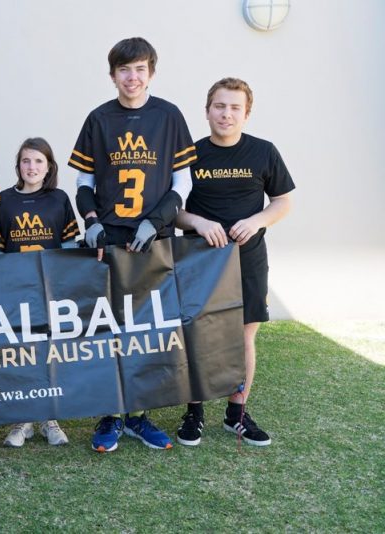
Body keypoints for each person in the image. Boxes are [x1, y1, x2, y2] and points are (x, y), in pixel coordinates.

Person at [68, 37, 196, 452]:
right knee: (108, 328)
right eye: (124, 69)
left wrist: (154, 221)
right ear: (112, 75)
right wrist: (90, 221)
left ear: (151, 73)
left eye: (140, 69)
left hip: (152, 239)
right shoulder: (98, 118)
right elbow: (83, 182)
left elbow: (183, 183)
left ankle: (138, 415)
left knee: (147, 330)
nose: (132, 77)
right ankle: (110, 413)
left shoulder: (169, 116)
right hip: (108, 240)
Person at [175, 77, 294, 447]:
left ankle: (236, 413)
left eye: (234, 108)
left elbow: (283, 200)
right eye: (219, 106)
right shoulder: (188, 154)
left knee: (244, 335)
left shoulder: (263, 151)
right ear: (207, 110)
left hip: (249, 258)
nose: (226, 114)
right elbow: (173, 210)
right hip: (200, 259)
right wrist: (199, 222)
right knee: (198, 333)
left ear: (247, 113)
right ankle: (193, 413)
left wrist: (257, 220)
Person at [0, 138, 79, 447]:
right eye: (26, 161)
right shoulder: (3, 200)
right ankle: (22, 420)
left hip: (49, 290)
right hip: (15, 291)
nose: (32, 167)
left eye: (38, 161)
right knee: (22, 353)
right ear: (18, 166)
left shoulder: (59, 199)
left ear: (49, 167)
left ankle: (49, 418)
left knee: (48, 354)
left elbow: (69, 247)